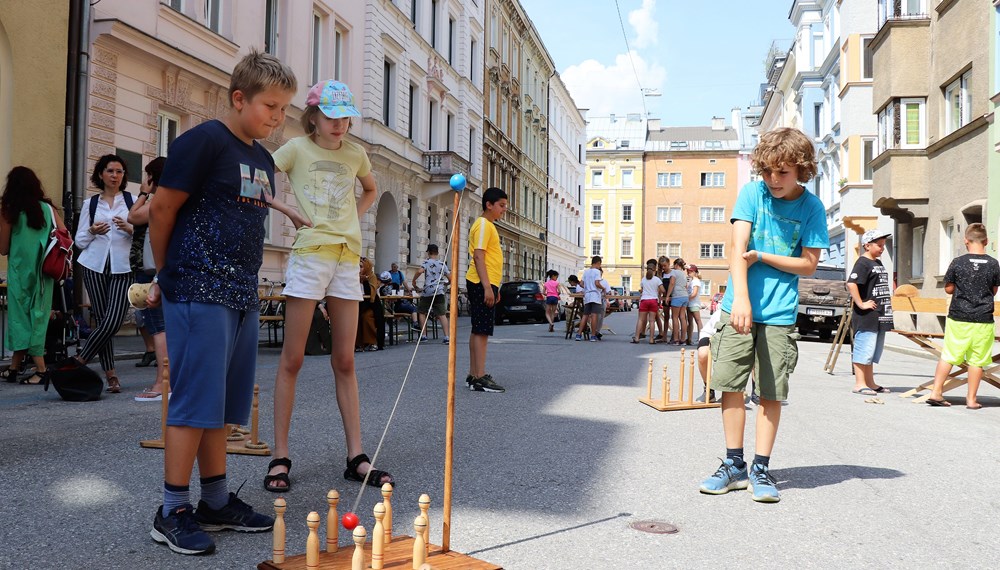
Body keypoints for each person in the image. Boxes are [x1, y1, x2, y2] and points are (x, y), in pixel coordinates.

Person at [145, 50, 297, 555]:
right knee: (192, 403)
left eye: (283, 109)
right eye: (270, 106)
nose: (277, 117)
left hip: (240, 292)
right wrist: (168, 274)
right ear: (239, 97)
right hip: (197, 287)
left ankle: (213, 500)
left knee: (222, 405)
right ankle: (172, 509)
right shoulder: (203, 140)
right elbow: (163, 209)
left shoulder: (263, 157)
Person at [264, 79, 391, 494]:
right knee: (293, 359)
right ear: (314, 118)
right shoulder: (297, 149)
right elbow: (256, 178)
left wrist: (352, 218)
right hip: (310, 255)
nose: (341, 125)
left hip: (346, 258)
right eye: (332, 117)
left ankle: (356, 455)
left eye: (346, 117)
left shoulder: (356, 153)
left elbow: (371, 189)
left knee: (346, 361)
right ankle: (280, 456)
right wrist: (290, 212)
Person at [698, 127, 828, 504]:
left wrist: (763, 256)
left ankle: (761, 468)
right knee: (731, 384)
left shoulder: (811, 208)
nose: (774, 179)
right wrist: (740, 299)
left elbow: (808, 264)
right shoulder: (752, 194)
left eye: (783, 172)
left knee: (771, 393)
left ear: (801, 171)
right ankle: (734, 464)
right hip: (739, 307)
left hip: (779, 313)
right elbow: (738, 248)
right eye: (768, 170)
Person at [73, 154, 135, 393]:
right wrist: (92, 230)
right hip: (94, 265)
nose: (115, 176)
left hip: (124, 267)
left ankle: (81, 359)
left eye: (119, 172)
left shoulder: (130, 201)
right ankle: (111, 375)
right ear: (101, 174)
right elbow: (79, 241)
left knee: (114, 319)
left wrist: (130, 229)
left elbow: (144, 235)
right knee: (102, 319)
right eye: (110, 171)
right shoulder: (90, 204)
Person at [0, 166, 65, 384]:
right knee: (38, 316)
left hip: (20, 272)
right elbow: (64, 234)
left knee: (19, 319)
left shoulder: (9, 209)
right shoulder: (47, 209)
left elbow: (3, 248)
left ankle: (41, 369)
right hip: (45, 271)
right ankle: (15, 367)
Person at [926, 223, 1000, 409]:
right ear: (986, 241)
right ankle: (971, 400)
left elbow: (949, 288)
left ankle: (936, 392)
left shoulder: (958, 262)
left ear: (966, 240)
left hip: (958, 316)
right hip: (983, 318)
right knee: (977, 360)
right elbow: (994, 290)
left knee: (950, 355)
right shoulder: (993, 263)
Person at [127, 157, 169, 401]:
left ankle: (162, 383)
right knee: (168, 327)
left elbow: (134, 216)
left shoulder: (160, 200)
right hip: (164, 269)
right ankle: (170, 381)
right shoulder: (182, 197)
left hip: (155, 271)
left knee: (159, 328)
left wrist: (144, 192)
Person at [466, 186, 508, 393]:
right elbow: (479, 256)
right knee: (482, 331)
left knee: (478, 329)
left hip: (484, 282)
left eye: (505, 206)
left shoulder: (487, 225)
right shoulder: (483, 225)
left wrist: (494, 287)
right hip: (480, 282)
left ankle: (474, 374)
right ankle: (480, 376)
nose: (504, 209)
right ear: (488, 205)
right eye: (501, 205)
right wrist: (486, 287)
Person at [846, 229, 894, 396]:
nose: (882, 248)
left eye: (883, 245)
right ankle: (859, 383)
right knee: (863, 348)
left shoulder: (877, 263)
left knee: (872, 351)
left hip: (879, 314)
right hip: (867, 316)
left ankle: (870, 382)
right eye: (879, 245)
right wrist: (861, 303)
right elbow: (851, 283)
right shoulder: (863, 263)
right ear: (867, 245)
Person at [412, 243, 451, 343]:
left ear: (428, 252)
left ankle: (424, 336)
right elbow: (450, 277)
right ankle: (446, 337)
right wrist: (447, 283)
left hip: (428, 291)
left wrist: (414, 281)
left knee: (422, 312)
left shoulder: (426, 262)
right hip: (439, 291)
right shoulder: (442, 264)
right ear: (437, 253)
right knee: (442, 314)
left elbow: (420, 271)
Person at [632, 259, 665, 345]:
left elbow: (642, 290)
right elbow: (662, 290)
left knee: (640, 320)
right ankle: (651, 339)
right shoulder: (657, 279)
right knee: (651, 321)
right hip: (653, 301)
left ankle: (636, 338)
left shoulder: (643, 279)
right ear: (654, 270)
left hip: (644, 300)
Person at [575, 256, 606, 342]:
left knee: (585, 316)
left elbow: (581, 284)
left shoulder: (586, 272)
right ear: (598, 263)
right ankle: (593, 335)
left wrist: (587, 287)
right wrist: (603, 288)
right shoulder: (597, 272)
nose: (600, 266)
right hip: (595, 295)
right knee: (594, 316)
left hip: (587, 295)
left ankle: (578, 334)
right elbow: (597, 283)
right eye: (600, 264)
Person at [665, 258, 689, 345]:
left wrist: (668, 296)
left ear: (676, 265)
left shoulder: (674, 272)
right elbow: (686, 286)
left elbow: (672, 283)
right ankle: (683, 339)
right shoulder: (683, 274)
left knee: (674, 317)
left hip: (677, 296)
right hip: (685, 296)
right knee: (682, 317)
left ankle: (676, 339)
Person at [687, 264, 704, 344]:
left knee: (698, 321)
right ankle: (689, 339)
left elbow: (694, 293)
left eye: (690, 271)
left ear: (694, 272)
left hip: (694, 304)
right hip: (690, 303)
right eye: (688, 270)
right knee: (690, 322)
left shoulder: (696, 281)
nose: (688, 272)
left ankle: (701, 338)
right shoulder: (692, 280)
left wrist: (687, 298)